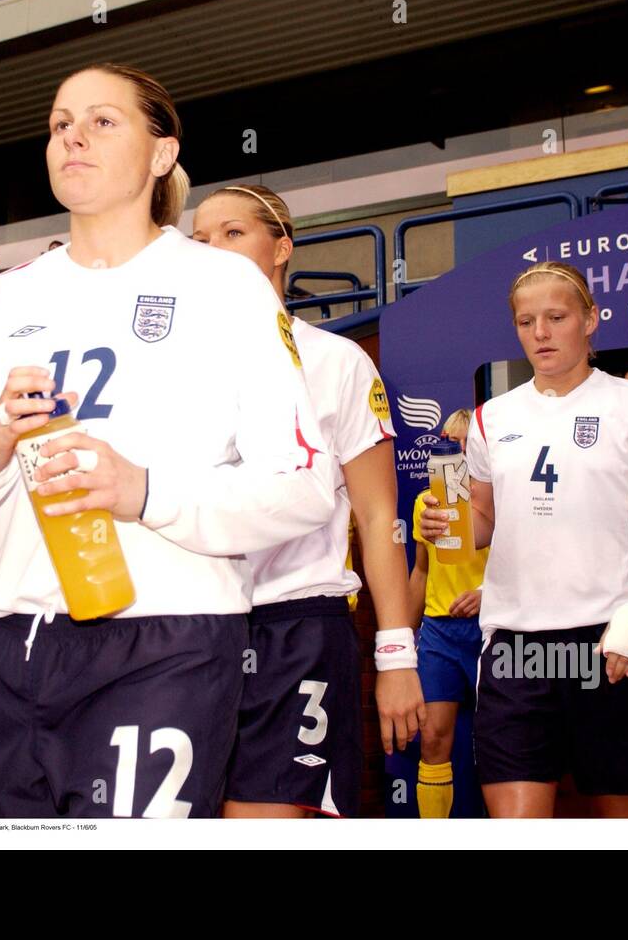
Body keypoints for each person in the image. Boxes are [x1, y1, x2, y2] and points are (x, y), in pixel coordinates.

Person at [0, 63, 337, 819]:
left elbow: (302, 488)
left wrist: (144, 490)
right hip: (15, 643)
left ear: (162, 154)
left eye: (104, 121)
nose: (72, 135)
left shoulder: (225, 286)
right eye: (60, 122)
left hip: (165, 642)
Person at [419, 261, 628, 818]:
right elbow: (483, 520)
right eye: (526, 322)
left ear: (591, 319)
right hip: (517, 646)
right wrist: (446, 528)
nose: (540, 333)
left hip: (607, 641)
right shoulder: (492, 417)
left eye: (556, 317)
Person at [192, 184, 416, 818]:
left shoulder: (336, 362)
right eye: (201, 240)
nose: (214, 250)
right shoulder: (168, 363)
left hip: (295, 623)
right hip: (188, 625)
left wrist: (396, 656)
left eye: (233, 233)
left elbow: (378, 519)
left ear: (281, 247)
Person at [406, 408, 488, 819]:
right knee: (433, 737)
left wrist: (487, 594)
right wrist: (401, 642)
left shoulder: (500, 500)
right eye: (448, 441)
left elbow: (533, 563)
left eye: (463, 442)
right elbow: (420, 571)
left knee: (500, 743)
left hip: (492, 632)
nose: (453, 449)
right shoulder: (427, 501)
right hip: (439, 633)